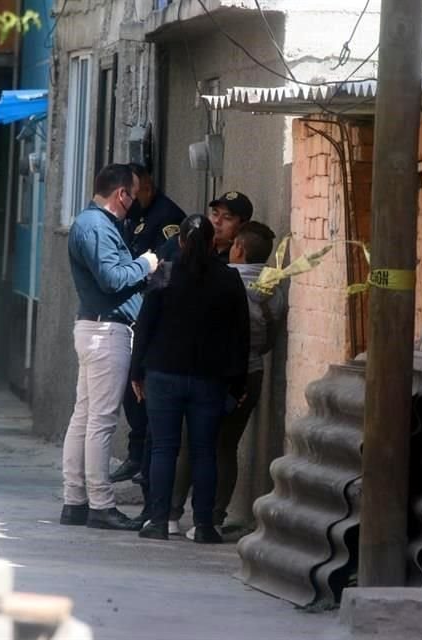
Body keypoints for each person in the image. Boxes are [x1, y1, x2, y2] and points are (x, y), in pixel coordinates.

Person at [129, 214, 250, 543]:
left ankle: (158, 520)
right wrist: (238, 383)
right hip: (209, 378)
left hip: (163, 373)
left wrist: (136, 371)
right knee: (204, 451)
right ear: (214, 242)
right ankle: (205, 524)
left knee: (164, 449)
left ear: (181, 240)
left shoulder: (164, 273)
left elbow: (145, 325)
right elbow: (240, 334)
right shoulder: (228, 279)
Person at [169, 221, 287, 537]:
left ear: (239, 249)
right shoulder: (273, 289)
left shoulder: (223, 280)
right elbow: (271, 336)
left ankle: (172, 512)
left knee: (191, 444)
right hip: (251, 373)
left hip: (214, 373)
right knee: (225, 447)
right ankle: (214, 518)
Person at [59, 164, 159, 531]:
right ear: (122, 195)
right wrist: (147, 263)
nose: (134, 202)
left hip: (96, 328)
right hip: (107, 331)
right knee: (99, 420)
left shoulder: (91, 224)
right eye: (133, 195)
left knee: (84, 417)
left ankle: (75, 500)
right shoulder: (98, 225)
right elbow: (113, 277)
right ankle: (100, 503)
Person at [109, 165, 186, 491]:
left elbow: (162, 265)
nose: (128, 199)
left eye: (133, 191)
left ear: (148, 188)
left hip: (149, 310)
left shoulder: (166, 218)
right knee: (131, 389)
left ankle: (143, 461)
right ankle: (136, 453)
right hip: (134, 308)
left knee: (142, 392)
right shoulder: (136, 214)